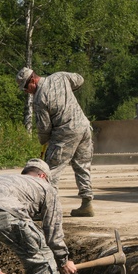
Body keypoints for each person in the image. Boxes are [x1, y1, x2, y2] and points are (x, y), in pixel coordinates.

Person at [15, 67, 95, 217]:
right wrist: (69, 91)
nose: (26, 91)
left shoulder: (39, 98)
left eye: (26, 87)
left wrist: (43, 141)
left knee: (50, 170)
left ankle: (46, 209)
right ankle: (87, 203)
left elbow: (44, 127)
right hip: (83, 127)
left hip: (65, 132)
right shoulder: (60, 77)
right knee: (83, 165)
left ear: (33, 79)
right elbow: (79, 79)